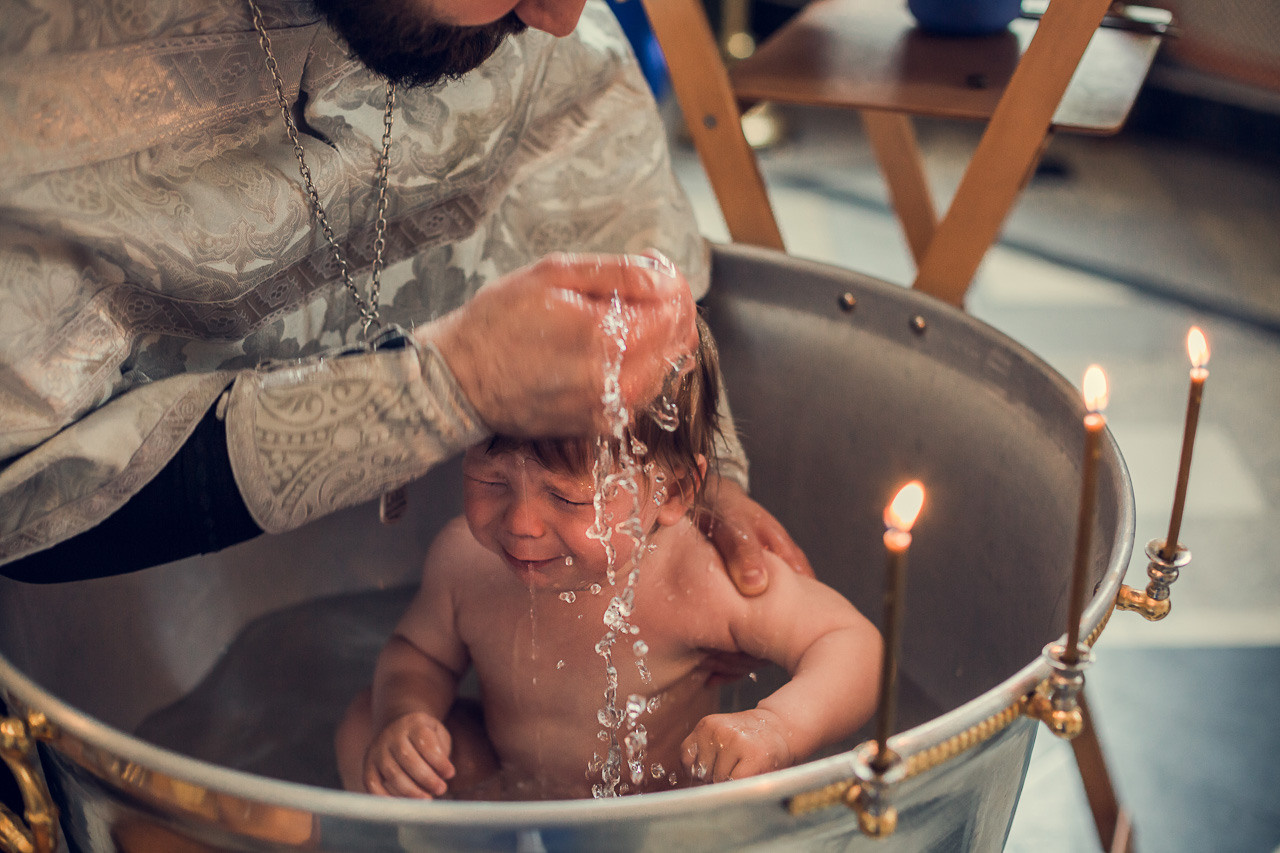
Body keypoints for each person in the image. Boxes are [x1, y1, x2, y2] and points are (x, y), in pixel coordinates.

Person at [0, 0, 810, 590]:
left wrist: (708, 479)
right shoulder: (38, 78)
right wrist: (438, 390)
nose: (563, 18)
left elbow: (602, 182)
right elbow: (26, 488)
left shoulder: (537, 29)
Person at [335, 318, 881, 799]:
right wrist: (406, 716)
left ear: (670, 493)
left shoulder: (695, 577)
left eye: (571, 498)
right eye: (491, 480)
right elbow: (419, 656)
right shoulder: (465, 562)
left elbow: (850, 643)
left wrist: (777, 727)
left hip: (656, 821)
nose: (521, 523)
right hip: (512, 792)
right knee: (366, 725)